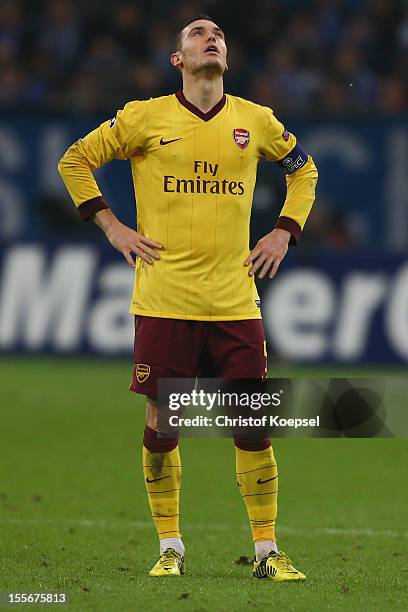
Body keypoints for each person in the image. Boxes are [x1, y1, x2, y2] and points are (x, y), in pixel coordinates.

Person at [58, 14, 318, 582]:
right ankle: (170, 546)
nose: (212, 38)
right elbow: (74, 160)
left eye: (219, 34)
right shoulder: (143, 118)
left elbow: (304, 171)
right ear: (178, 59)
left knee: (252, 424)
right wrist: (113, 228)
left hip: (234, 299)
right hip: (164, 296)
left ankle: (268, 552)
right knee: (162, 420)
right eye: (199, 34)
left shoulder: (256, 121)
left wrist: (283, 230)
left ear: (226, 56)